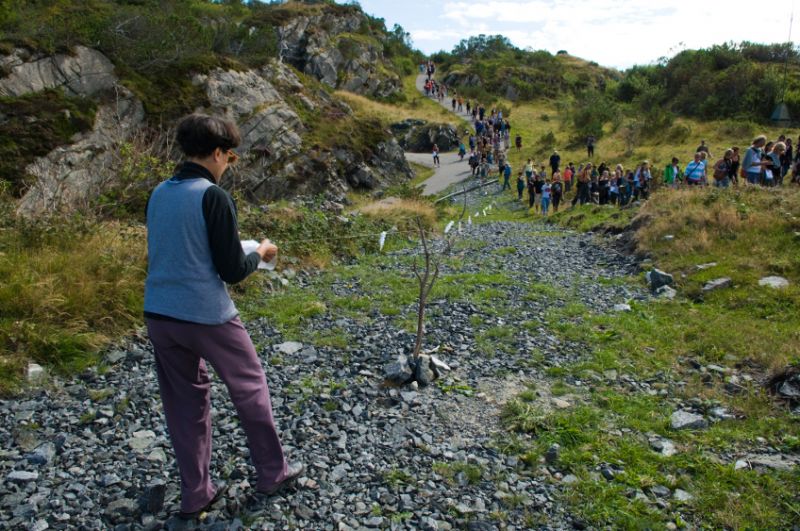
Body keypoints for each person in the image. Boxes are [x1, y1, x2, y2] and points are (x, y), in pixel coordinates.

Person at [144, 114, 303, 520]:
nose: (229, 165)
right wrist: (261, 252)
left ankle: (196, 493)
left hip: (159, 313)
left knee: (184, 404)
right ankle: (273, 472)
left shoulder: (158, 193)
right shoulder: (213, 196)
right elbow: (232, 270)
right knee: (249, 386)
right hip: (208, 315)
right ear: (217, 153)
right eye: (230, 157)